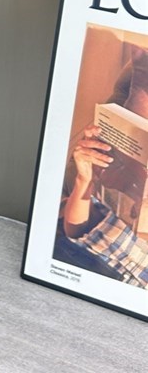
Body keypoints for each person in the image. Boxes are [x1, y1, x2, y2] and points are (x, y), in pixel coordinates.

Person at [61, 44, 148, 289]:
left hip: (93, 191)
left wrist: (83, 181)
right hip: (114, 183)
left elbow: (77, 231)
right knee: (130, 93)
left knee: (134, 90)